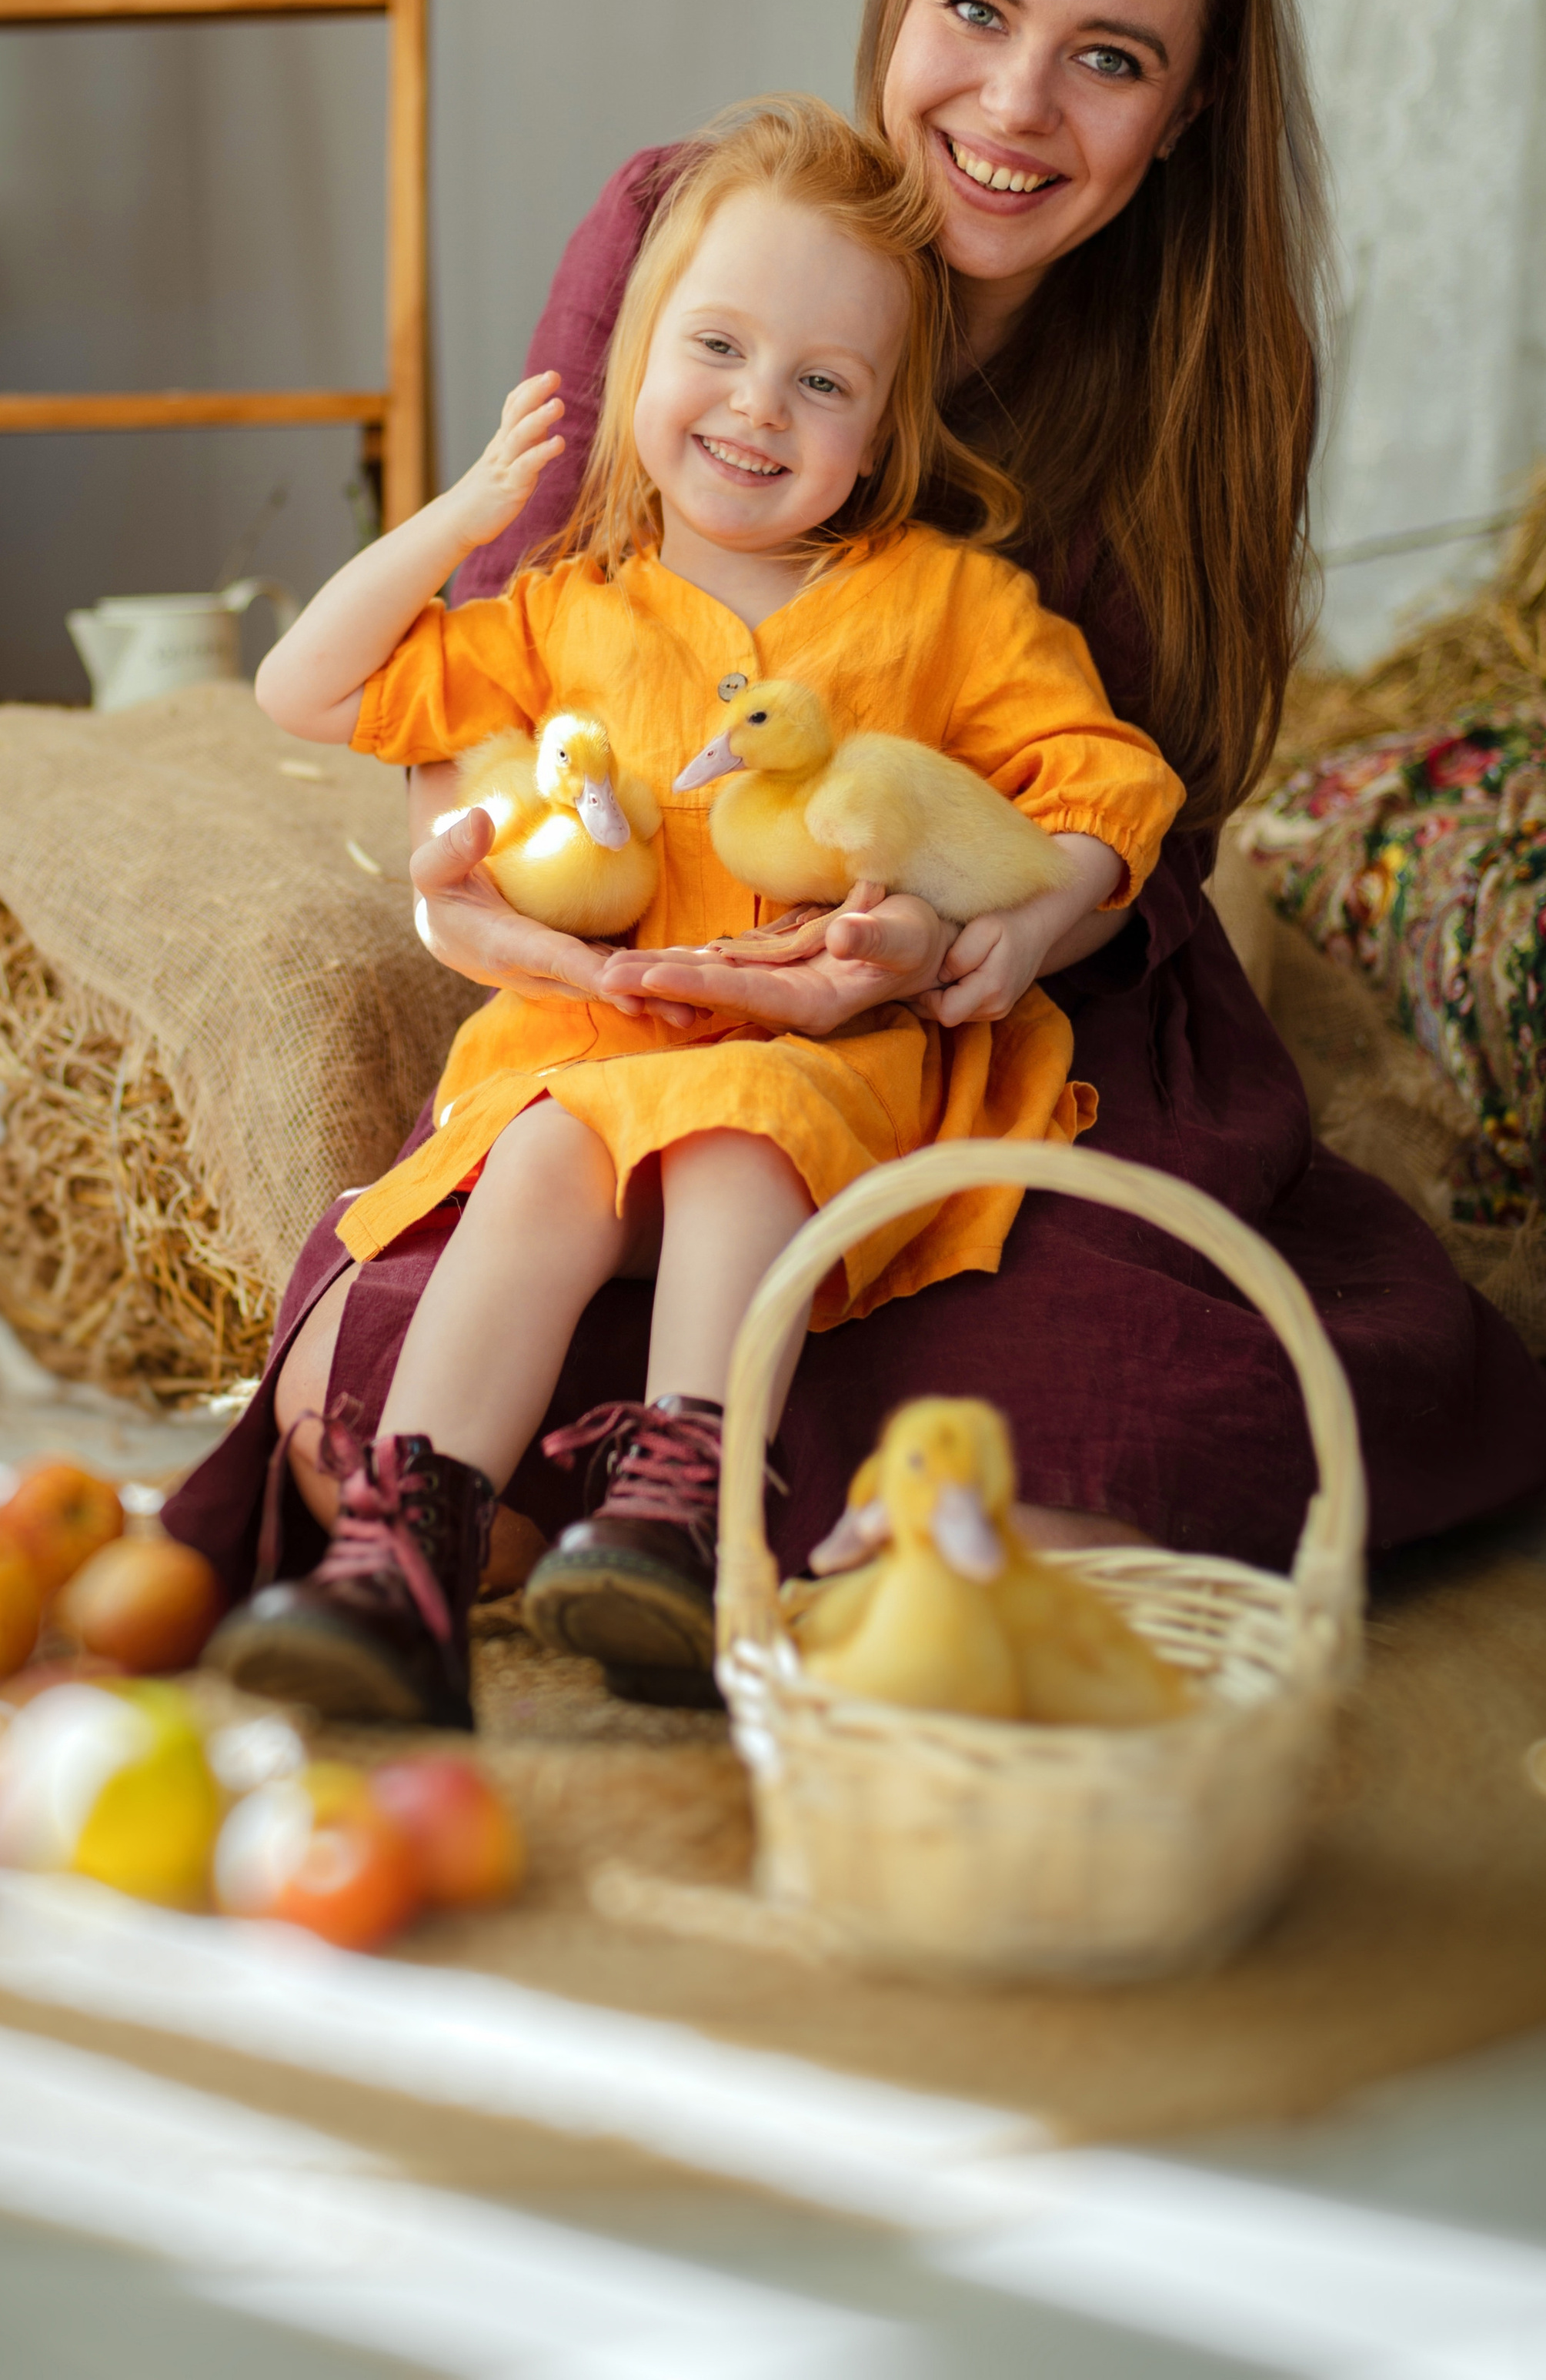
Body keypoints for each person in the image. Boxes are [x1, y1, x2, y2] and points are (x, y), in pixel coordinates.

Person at [166, 0, 1546, 1662]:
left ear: (1186, 110)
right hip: (635, 982)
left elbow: (1125, 800)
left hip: (1002, 1001)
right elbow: (508, 663)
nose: (1013, 103)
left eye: (1108, 59)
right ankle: (497, 1525)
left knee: (1160, 1399)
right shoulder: (687, 223)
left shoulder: (1189, 383)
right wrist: (478, 908)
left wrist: (962, 934)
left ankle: (710, 1506)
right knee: (398, 1346)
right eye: (974, 11)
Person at [205, 97, 1182, 1727]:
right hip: (592, 1051)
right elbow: (302, 687)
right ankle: (407, 1551)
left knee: (735, 1129)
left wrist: (1011, 926)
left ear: (883, 429)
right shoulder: (559, 608)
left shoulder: (948, 603)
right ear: (640, 354)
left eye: (822, 383)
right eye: (716, 347)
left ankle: (682, 1510)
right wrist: (461, 516)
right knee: (541, 1156)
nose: (755, 405)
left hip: (819, 1061)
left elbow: (1106, 778)